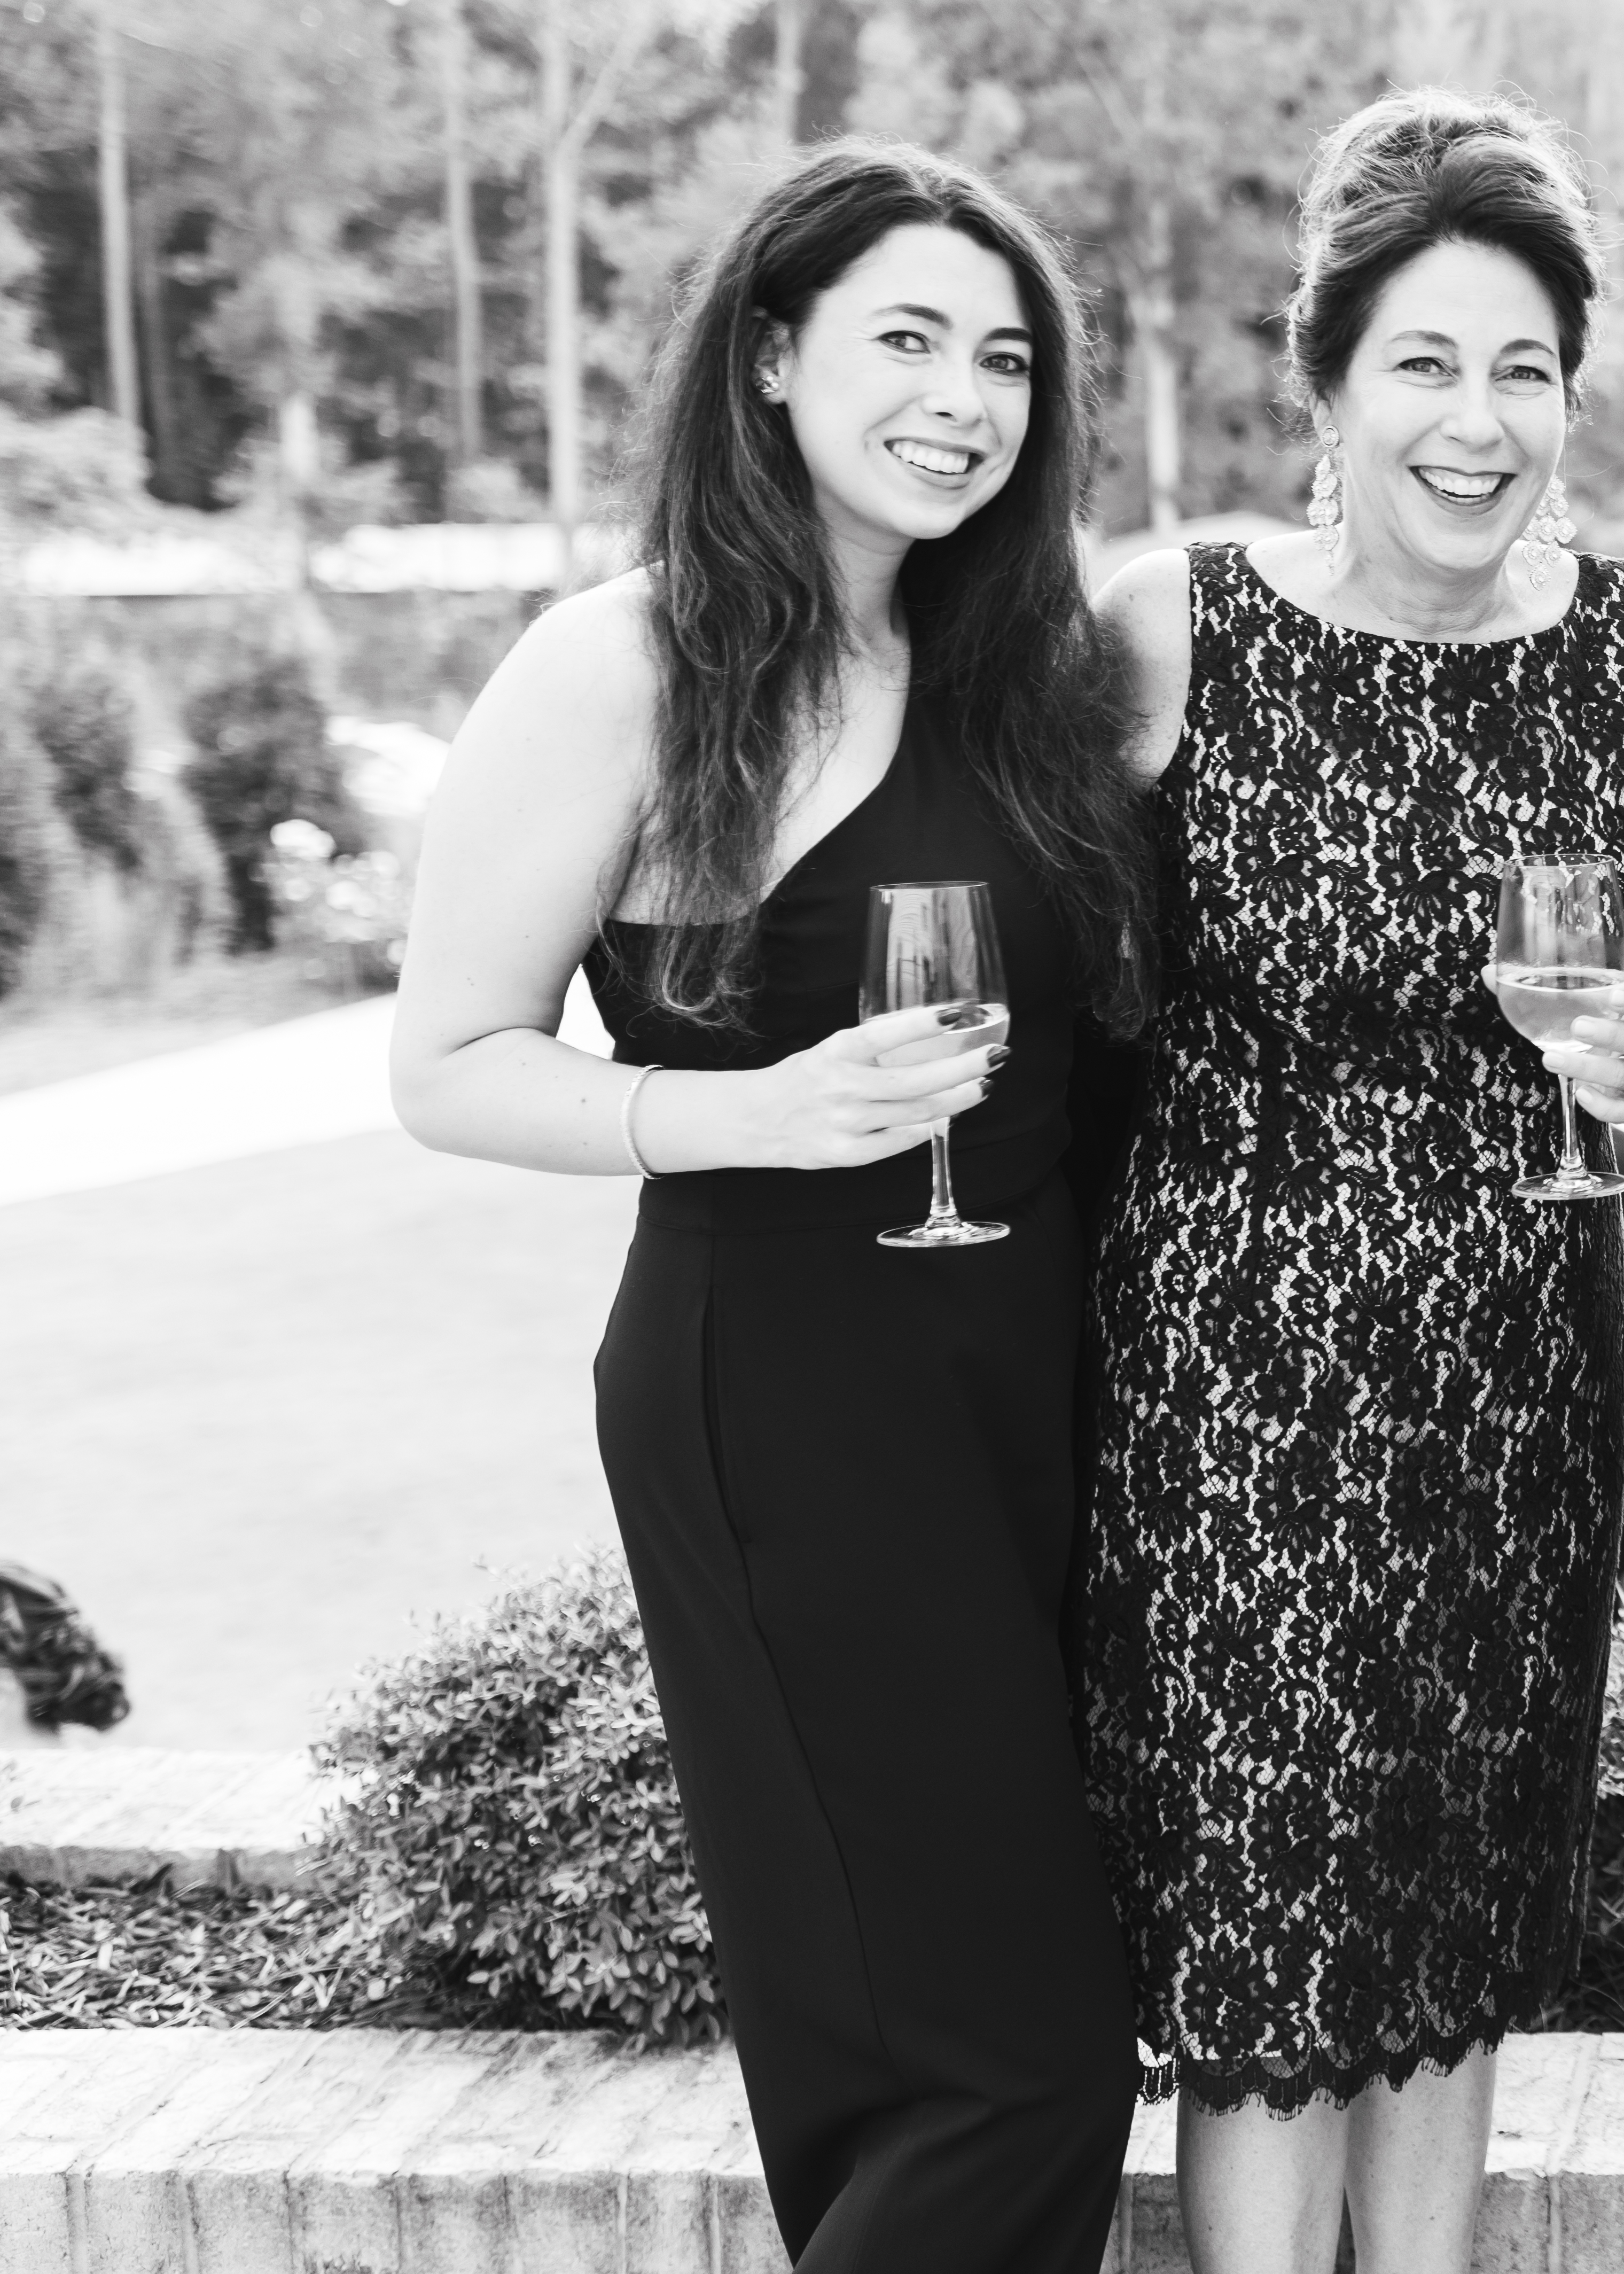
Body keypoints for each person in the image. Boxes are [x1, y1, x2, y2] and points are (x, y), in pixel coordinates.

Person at [393, 142, 1151, 2272]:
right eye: (906, 338)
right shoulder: (622, 665)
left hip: (1033, 1392)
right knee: (1021, 2062)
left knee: (888, 2051)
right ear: (770, 353)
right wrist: (749, 1113)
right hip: (791, 1405)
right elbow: (447, 1061)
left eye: (1004, 358)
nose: (962, 398)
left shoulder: (1024, 667)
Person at [1074, 93, 1624, 2274]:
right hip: (1230, 1401)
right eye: (1426, 363)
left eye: (1523, 368)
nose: (1478, 421)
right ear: (1328, 385)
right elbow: (1050, 978)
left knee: (1450, 1942)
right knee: (1269, 1970)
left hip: (1516, 1391)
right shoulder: (1172, 627)